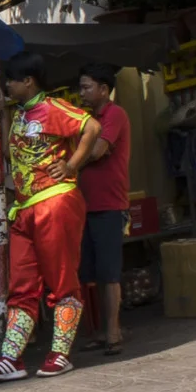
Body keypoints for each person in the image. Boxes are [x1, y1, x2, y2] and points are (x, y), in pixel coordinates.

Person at [0, 53, 105, 383]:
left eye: (11, 80)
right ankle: (11, 359)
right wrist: (4, 114)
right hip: (25, 208)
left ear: (28, 81)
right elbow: (8, 154)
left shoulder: (53, 107)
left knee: (62, 282)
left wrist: (72, 165)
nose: (7, 85)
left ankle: (60, 354)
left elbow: (92, 127)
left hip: (55, 201)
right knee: (21, 286)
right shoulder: (20, 114)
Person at [77, 62, 133, 356]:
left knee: (109, 273)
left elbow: (98, 150)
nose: (82, 93)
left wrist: (73, 161)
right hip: (86, 206)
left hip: (109, 204)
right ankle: (103, 330)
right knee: (95, 272)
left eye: (86, 87)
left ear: (103, 89)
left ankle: (113, 331)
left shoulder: (115, 114)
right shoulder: (89, 119)